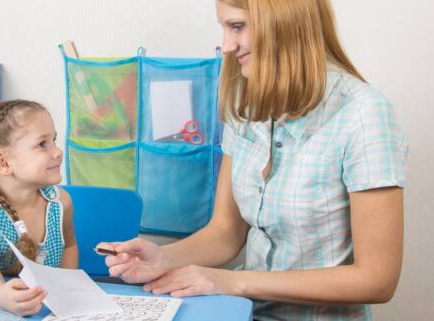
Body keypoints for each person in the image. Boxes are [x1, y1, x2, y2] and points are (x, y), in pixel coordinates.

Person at [98, 1, 408, 320]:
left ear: (284, 22)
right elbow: (226, 231)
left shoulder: (364, 114)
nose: (227, 46)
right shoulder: (245, 105)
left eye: (237, 26)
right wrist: (162, 257)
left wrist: (233, 281)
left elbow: (377, 280)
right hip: (245, 313)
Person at [0, 99, 78, 316]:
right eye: (42, 144)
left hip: (43, 310)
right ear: (3, 163)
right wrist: (1, 295)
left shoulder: (61, 203)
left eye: (54, 140)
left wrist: (65, 291)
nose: (58, 152)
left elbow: (69, 246)